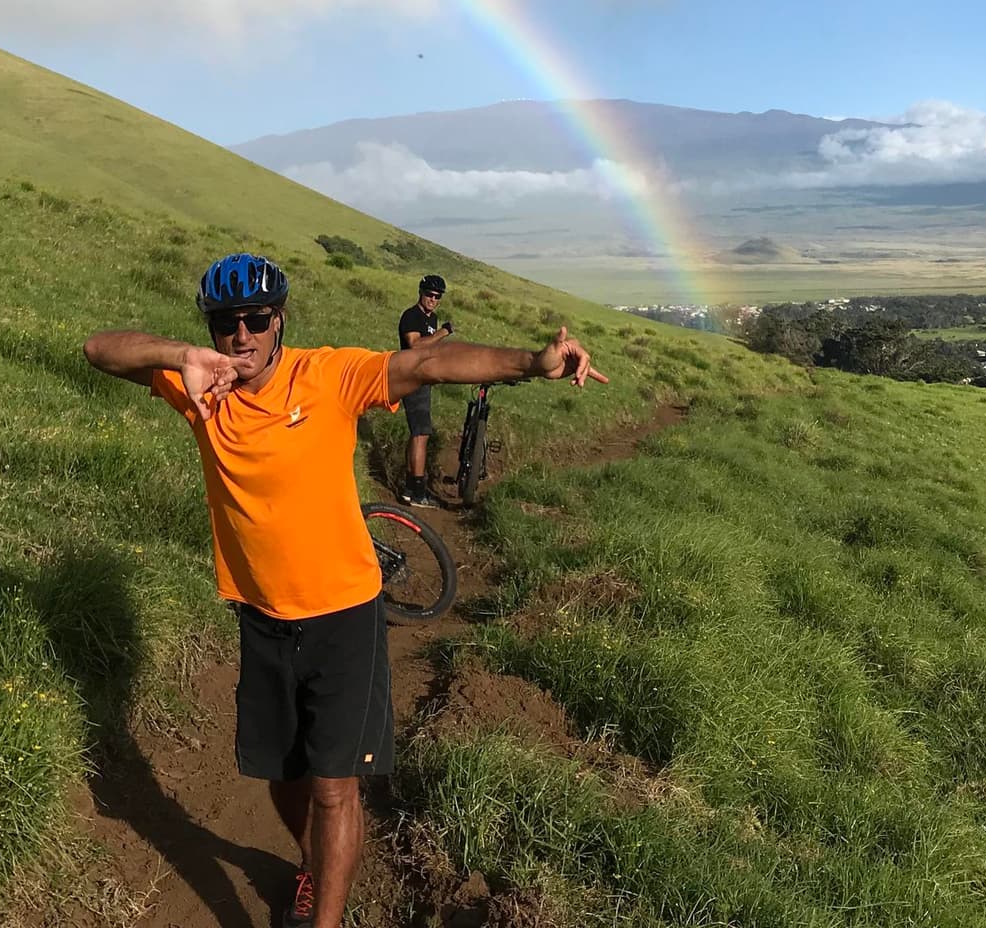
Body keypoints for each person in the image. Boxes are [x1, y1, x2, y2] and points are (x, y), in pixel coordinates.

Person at [82, 252, 605, 928]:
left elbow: (427, 365)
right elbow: (99, 349)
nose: (240, 337)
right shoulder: (200, 385)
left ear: (281, 320)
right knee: (283, 778)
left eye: (256, 320)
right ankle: (314, 866)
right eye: (224, 324)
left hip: (344, 617)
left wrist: (531, 364)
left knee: (334, 788)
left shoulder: (325, 375)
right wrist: (181, 353)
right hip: (262, 617)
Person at [395, 274, 452, 506]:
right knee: (421, 434)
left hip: (423, 379)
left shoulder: (432, 318)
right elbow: (415, 345)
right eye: (429, 294)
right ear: (421, 292)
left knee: (418, 433)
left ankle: (410, 487)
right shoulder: (411, 316)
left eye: (437, 297)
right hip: (411, 378)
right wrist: (443, 333)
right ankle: (418, 492)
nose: (433, 299)